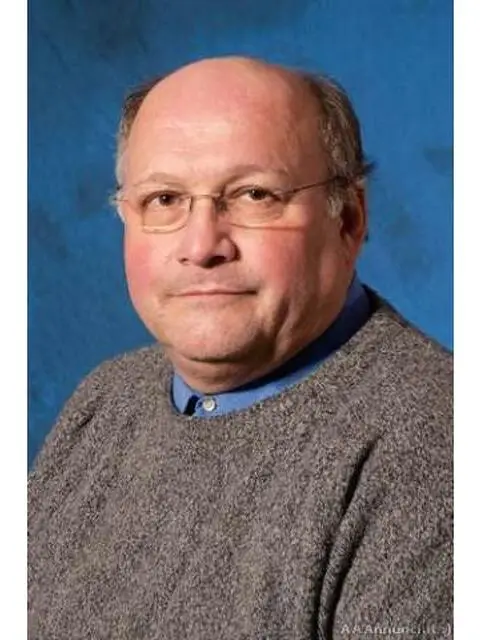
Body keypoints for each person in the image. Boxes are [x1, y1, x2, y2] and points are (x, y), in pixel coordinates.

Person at [28, 56, 453, 639]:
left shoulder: (434, 449)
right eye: (164, 200)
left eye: (255, 195)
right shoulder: (105, 401)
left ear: (348, 220)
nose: (202, 245)